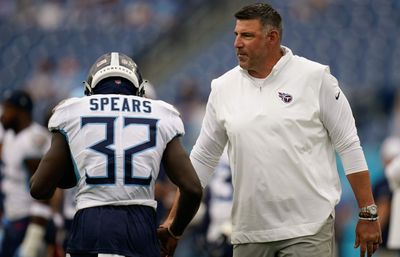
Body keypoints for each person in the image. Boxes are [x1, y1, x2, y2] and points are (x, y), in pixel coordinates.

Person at [162, 3, 381, 257]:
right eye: (236, 35)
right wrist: (173, 223)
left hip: (307, 229)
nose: (237, 43)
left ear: (272, 38)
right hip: (248, 233)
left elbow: (348, 144)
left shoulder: (315, 78)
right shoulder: (223, 88)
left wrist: (367, 212)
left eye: (247, 35)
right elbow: (202, 160)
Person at [29, 52, 203, 257]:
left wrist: (74, 174)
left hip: (90, 226)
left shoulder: (72, 111)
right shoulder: (162, 114)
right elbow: (192, 189)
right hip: (141, 230)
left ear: (90, 88)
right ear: (139, 89)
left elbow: (40, 188)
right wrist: (174, 231)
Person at [0, 90, 53, 257]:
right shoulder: (8, 136)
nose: (3, 115)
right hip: (11, 217)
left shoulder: (32, 140)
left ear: (21, 112)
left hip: (27, 220)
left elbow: (44, 192)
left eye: (8, 109)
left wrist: (34, 235)